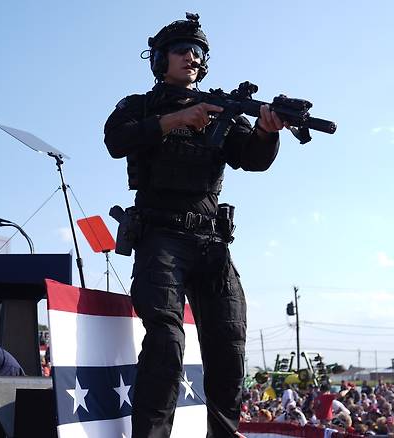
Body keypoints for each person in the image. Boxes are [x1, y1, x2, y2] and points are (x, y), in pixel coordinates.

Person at [104, 13, 286, 438]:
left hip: (212, 242)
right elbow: (116, 140)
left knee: (229, 348)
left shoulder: (220, 109)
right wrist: (176, 120)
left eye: (199, 51)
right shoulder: (140, 106)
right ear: (159, 59)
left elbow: (252, 158)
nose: (192, 57)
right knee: (166, 345)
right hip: (161, 236)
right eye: (183, 49)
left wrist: (265, 131)